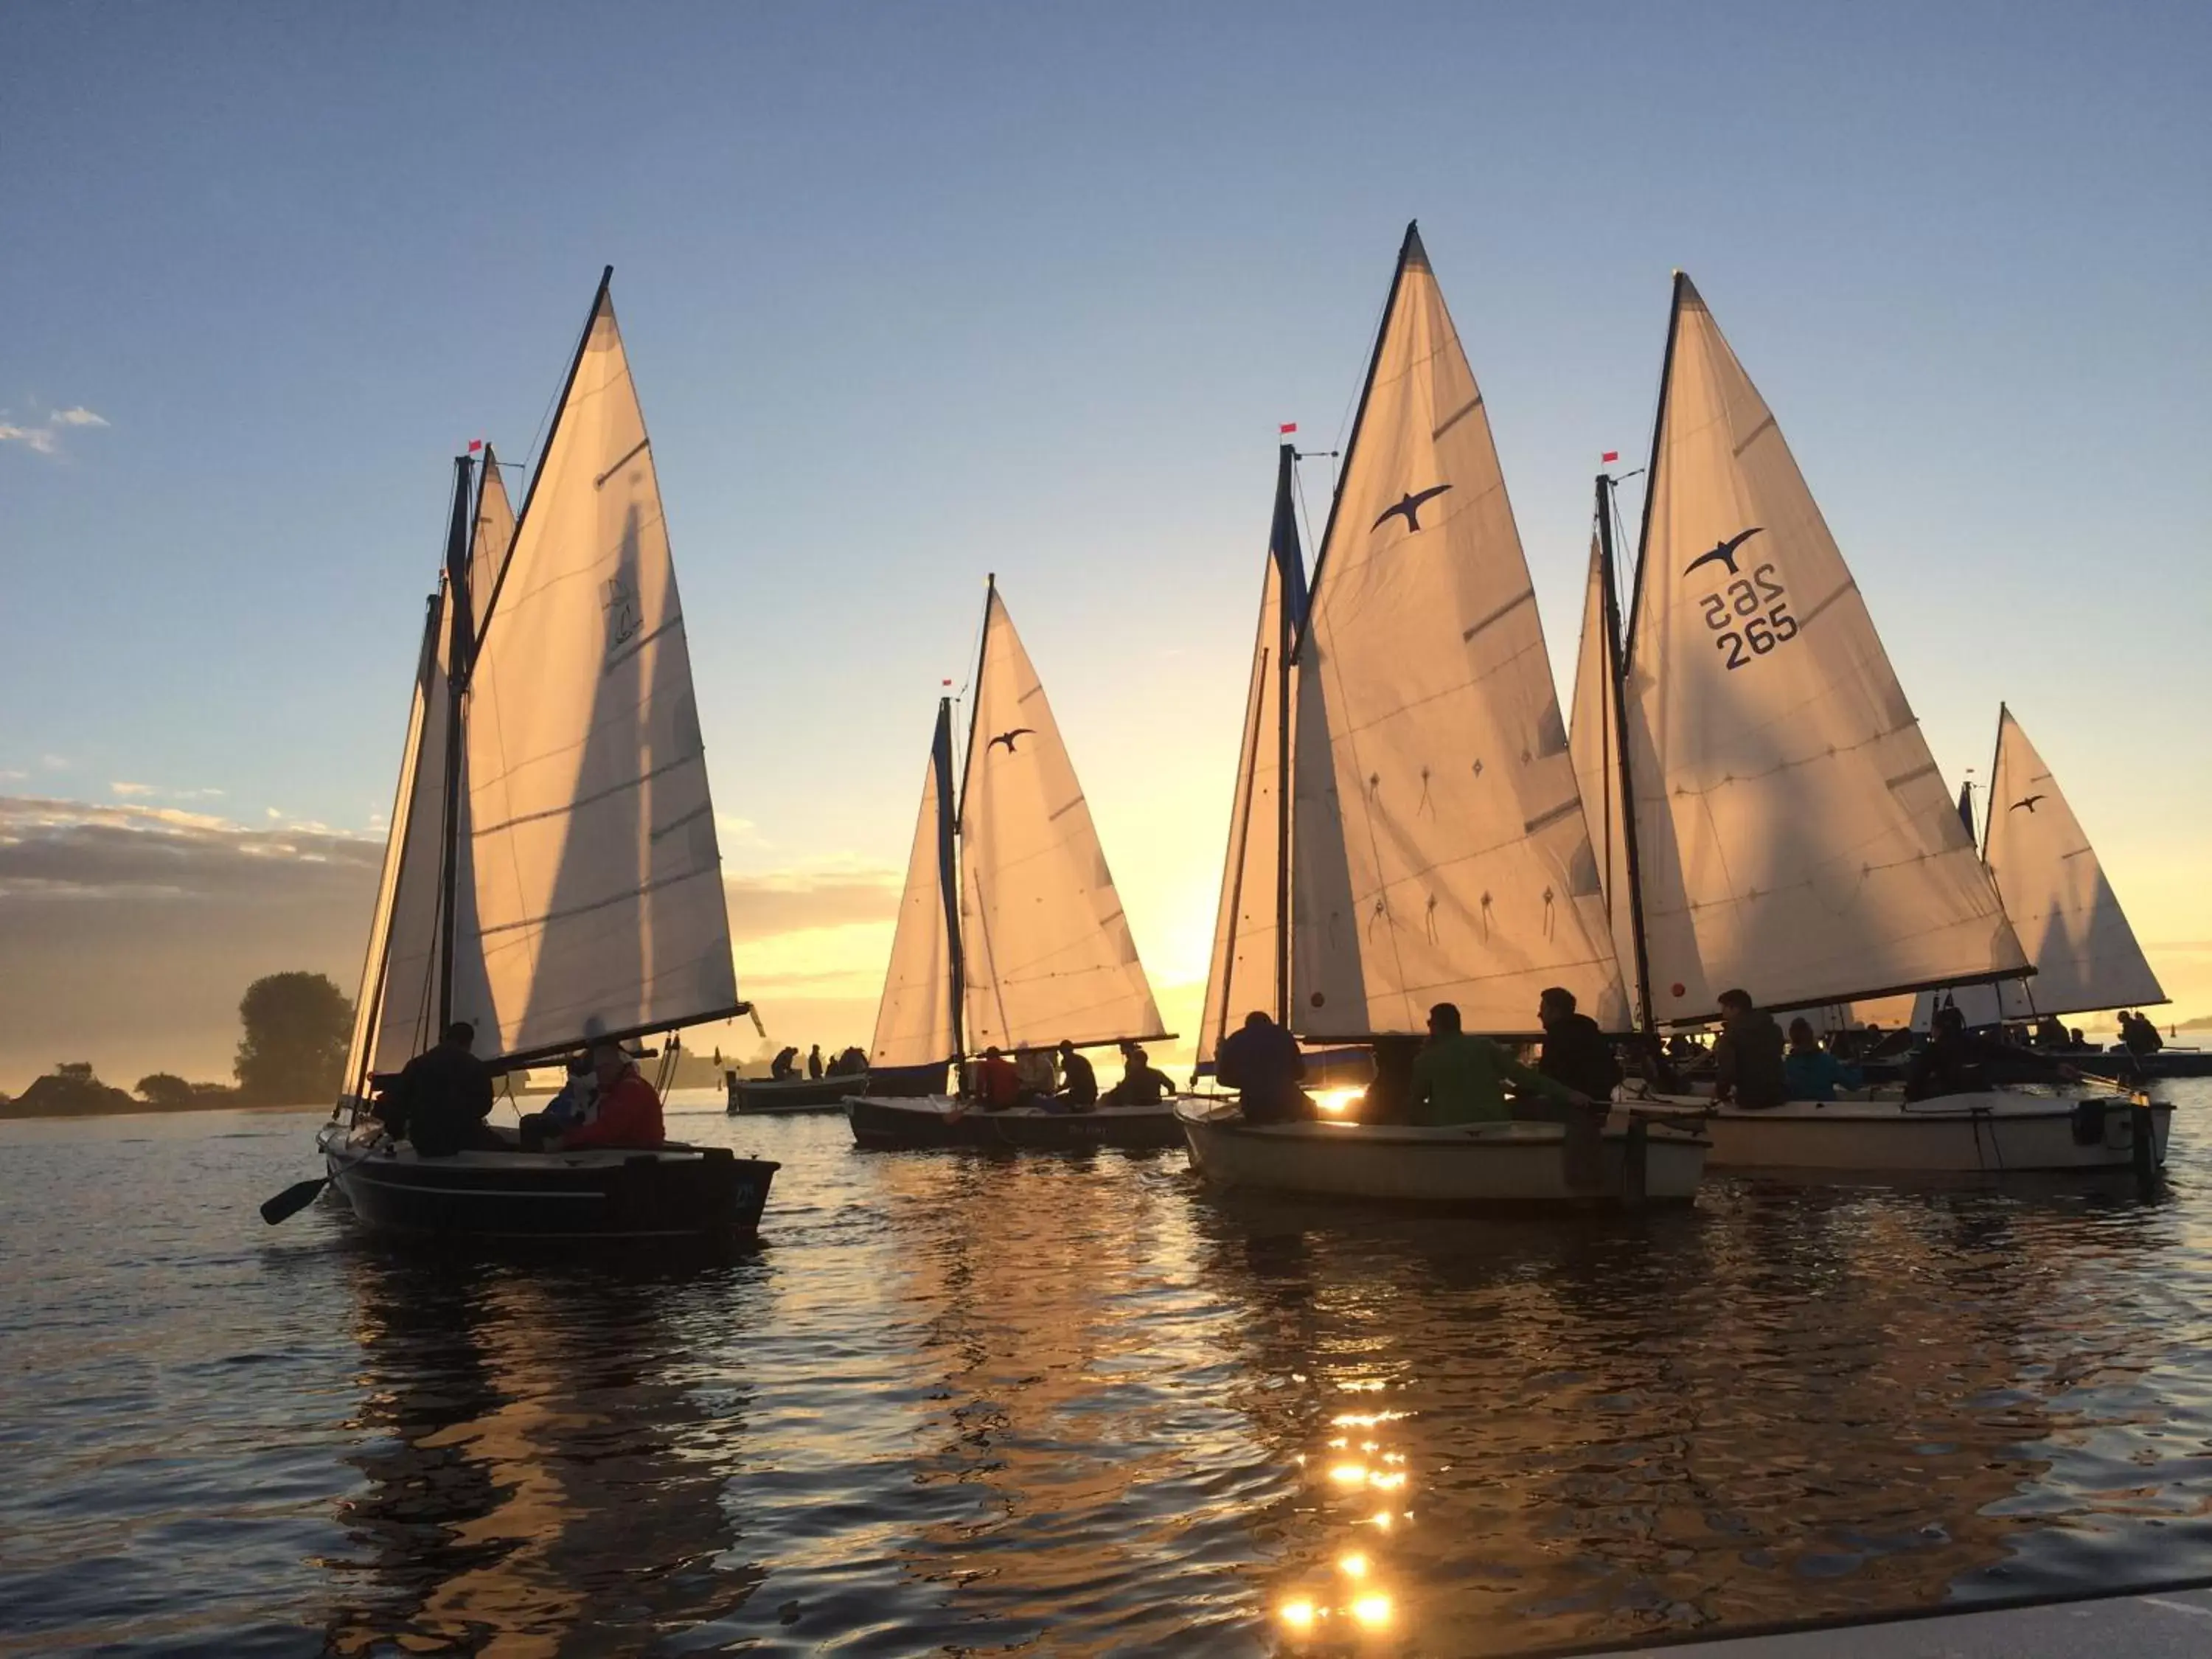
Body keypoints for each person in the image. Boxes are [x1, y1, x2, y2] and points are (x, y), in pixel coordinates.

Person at [1411, 1002, 1589, 1125]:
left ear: (1435, 1026)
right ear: (1458, 1024)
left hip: (1448, 1130)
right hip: (1494, 1125)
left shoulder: (1425, 1059)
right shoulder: (1483, 1046)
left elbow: (1416, 1102)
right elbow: (1524, 1077)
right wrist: (1569, 1094)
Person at [1906, 1005, 2079, 1101]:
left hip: (1949, 1104)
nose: (1932, 1032)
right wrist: (2055, 1066)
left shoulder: (1933, 1051)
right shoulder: (1978, 1044)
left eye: (1933, 1028)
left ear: (1939, 1028)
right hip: (1985, 1100)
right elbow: (2016, 1054)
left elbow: (1913, 1088)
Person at [394, 1020, 498, 1157]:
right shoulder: (476, 1067)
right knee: (504, 1147)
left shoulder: (417, 1064)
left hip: (424, 1141)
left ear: (444, 1038)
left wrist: (396, 1133)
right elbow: (485, 1106)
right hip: (464, 1138)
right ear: (469, 1042)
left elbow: (398, 1101)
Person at [556, 1042, 667, 1150]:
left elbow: (608, 1129)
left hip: (641, 1158)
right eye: (598, 1069)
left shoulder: (631, 1089)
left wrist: (565, 1140)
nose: (601, 1074)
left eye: (605, 1068)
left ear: (618, 1065)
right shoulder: (614, 1089)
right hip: (624, 1154)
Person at [1215, 1010, 1309, 1124]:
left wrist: (1220, 1058)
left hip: (1254, 1108)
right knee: (1311, 1108)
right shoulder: (1284, 1035)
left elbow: (1222, 1079)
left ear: (1247, 1025)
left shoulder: (1234, 1040)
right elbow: (1300, 1073)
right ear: (1269, 1023)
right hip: (1288, 1104)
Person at [1536, 987, 1622, 1102]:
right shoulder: (1589, 1031)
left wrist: (1516, 1089)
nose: (1539, 1015)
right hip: (1601, 1102)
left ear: (1555, 1012)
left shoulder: (1557, 1038)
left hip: (1572, 1105)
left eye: (1543, 1009)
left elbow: (1547, 1078)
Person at [1711, 989, 1787, 1109]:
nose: (1722, 1013)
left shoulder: (1731, 1035)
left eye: (1724, 1008)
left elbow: (1727, 1071)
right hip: (1778, 1097)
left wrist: (1720, 1094)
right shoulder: (1774, 1029)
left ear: (1734, 1008)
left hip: (1750, 1101)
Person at [520, 1052, 597, 1150]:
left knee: (530, 1123)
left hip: (573, 1126)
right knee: (531, 1122)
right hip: (564, 1121)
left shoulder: (592, 1086)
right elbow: (559, 1103)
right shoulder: (574, 1086)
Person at [1783, 1018, 1860, 1102]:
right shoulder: (1827, 1061)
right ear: (1812, 1037)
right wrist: (1855, 1066)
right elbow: (1853, 1084)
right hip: (1825, 1113)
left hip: (1798, 1114)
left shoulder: (1786, 1066)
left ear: (1793, 1040)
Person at [1102, 1043, 1177, 1106]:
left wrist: (1107, 1096)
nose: (1132, 1063)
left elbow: (1120, 1090)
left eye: (1133, 1061)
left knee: (1106, 1098)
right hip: (1155, 1104)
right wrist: (1170, 1097)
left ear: (1139, 1062)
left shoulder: (1133, 1076)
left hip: (1138, 1105)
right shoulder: (1157, 1073)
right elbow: (1171, 1085)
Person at [970, 1045, 1023, 1110]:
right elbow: (1017, 1084)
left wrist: (978, 1099)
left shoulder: (984, 1065)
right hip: (1011, 1103)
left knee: (975, 1112)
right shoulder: (1009, 1065)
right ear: (998, 1055)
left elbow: (980, 1083)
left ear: (987, 1055)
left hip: (995, 1104)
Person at [1053, 1040, 1099, 1110]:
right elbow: (1069, 1079)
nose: (1065, 1054)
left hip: (1086, 1095)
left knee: (1058, 1100)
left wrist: (1058, 1089)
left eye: (1066, 1051)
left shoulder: (1074, 1062)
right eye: (1063, 1052)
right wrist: (1060, 1088)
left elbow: (1069, 1081)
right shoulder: (1067, 1061)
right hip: (1083, 1093)